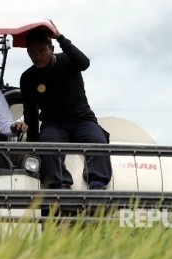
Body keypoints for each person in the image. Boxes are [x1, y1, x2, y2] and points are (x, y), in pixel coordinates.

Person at [20, 21, 112, 190]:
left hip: (82, 120)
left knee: (97, 140)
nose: (37, 56)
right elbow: (30, 113)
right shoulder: (28, 77)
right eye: (31, 52)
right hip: (54, 125)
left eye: (41, 50)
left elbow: (84, 63)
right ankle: (60, 185)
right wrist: (33, 144)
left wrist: (60, 37)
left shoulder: (68, 61)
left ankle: (97, 185)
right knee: (46, 142)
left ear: (52, 49)